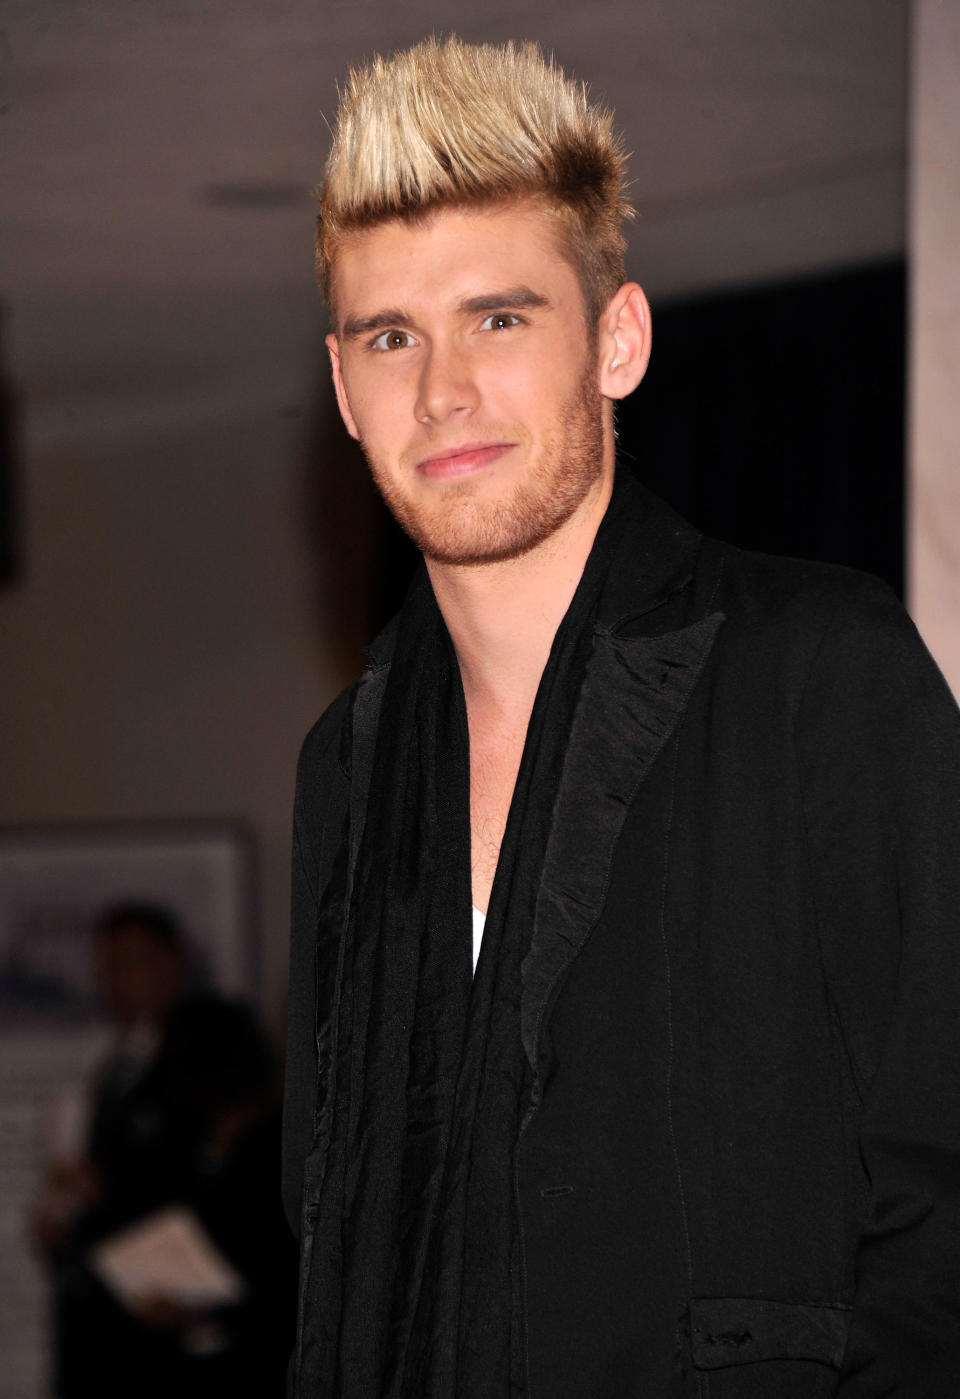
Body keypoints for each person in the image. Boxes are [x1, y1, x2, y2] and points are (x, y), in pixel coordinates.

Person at [282, 36, 960, 1399]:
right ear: (347, 389)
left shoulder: (817, 663)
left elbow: (945, 1179)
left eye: (501, 317)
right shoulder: (345, 766)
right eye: (392, 336)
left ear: (617, 339)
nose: (445, 391)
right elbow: (328, 1215)